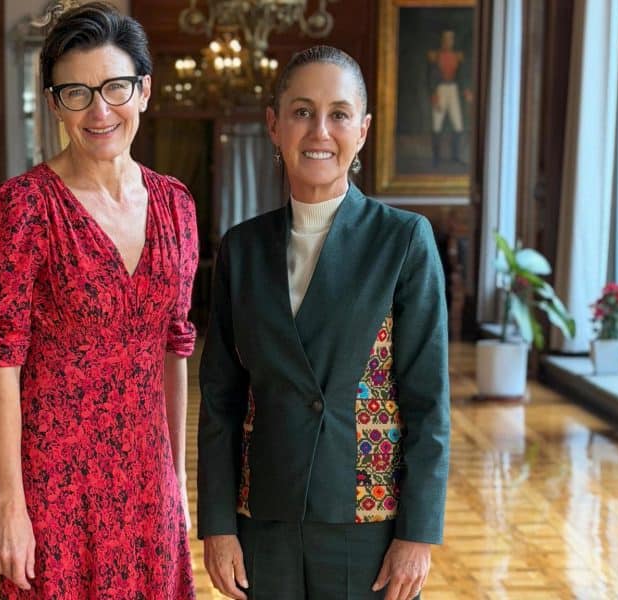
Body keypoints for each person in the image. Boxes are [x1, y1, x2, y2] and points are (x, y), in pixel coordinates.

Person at [198, 45, 450, 600]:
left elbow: (428, 400)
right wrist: (217, 526)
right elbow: (219, 399)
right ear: (274, 125)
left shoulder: (404, 240)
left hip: (366, 517)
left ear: (361, 130)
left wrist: (418, 533)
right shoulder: (241, 249)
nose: (320, 130)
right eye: (302, 111)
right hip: (263, 513)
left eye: (338, 114)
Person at [0, 3, 198, 598]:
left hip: (148, 479)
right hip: (57, 483)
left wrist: (177, 481)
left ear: (144, 91)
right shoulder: (22, 208)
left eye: (115, 87)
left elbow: (175, 352)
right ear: (53, 103)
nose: (99, 110)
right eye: (76, 92)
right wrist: (9, 509)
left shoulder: (176, 205)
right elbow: (1, 369)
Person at [426, 30, 472, 166]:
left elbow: (461, 76)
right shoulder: (435, 56)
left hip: (453, 90)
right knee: (437, 125)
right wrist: (434, 94)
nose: (448, 41)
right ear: (442, 40)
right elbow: (431, 77)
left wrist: (466, 91)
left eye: (451, 39)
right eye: (446, 38)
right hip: (440, 89)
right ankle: (436, 159)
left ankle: (455, 156)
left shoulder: (457, 56)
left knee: (458, 124)